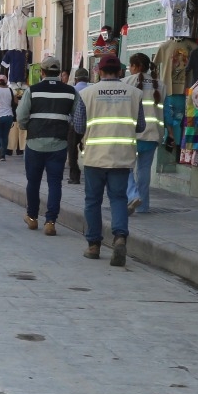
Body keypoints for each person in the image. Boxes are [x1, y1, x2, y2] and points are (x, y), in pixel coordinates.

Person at [74, 55, 144, 266]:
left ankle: (94, 245)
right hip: (122, 156)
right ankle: (120, 237)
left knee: (93, 201)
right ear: (120, 72)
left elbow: (78, 126)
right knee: (119, 199)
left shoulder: (87, 94)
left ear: (99, 72)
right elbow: (140, 126)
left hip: (94, 156)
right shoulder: (134, 93)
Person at [17, 57, 76, 236]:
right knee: (55, 183)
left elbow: (21, 116)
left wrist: (28, 127)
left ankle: (32, 217)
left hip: (35, 143)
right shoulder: (70, 92)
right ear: (59, 73)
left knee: (33, 182)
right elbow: (77, 117)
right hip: (59, 144)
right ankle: (50, 222)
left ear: (42, 72)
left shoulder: (32, 91)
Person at [126, 53, 163, 213]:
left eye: (130, 66)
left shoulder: (126, 83)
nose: (129, 69)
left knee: (125, 167)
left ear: (135, 66)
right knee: (144, 170)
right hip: (153, 134)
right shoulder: (161, 85)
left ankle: (133, 195)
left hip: (132, 134)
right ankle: (144, 207)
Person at [67, 66, 90, 185]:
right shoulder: (92, 88)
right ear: (87, 78)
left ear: (76, 79)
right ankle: (90, 174)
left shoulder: (72, 89)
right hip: (90, 125)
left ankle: (74, 176)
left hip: (73, 125)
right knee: (88, 150)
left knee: (72, 151)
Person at [0, 76, 16, 161]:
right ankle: (2, 156)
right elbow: (16, 102)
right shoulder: (11, 90)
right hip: (8, 116)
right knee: (4, 136)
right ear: (6, 82)